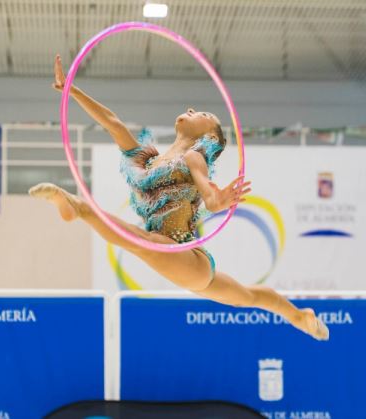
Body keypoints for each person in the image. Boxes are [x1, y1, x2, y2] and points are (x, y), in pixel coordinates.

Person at [30, 54, 329, 341]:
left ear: (208, 137)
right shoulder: (148, 161)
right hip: (184, 259)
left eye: (202, 114)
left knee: (140, 242)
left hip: (179, 252)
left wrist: (217, 200)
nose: (190, 108)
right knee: (245, 297)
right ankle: (299, 316)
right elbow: (112, 122)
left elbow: (208, 195)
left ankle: (78, 207)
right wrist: (71, 88)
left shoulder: (194, 157)